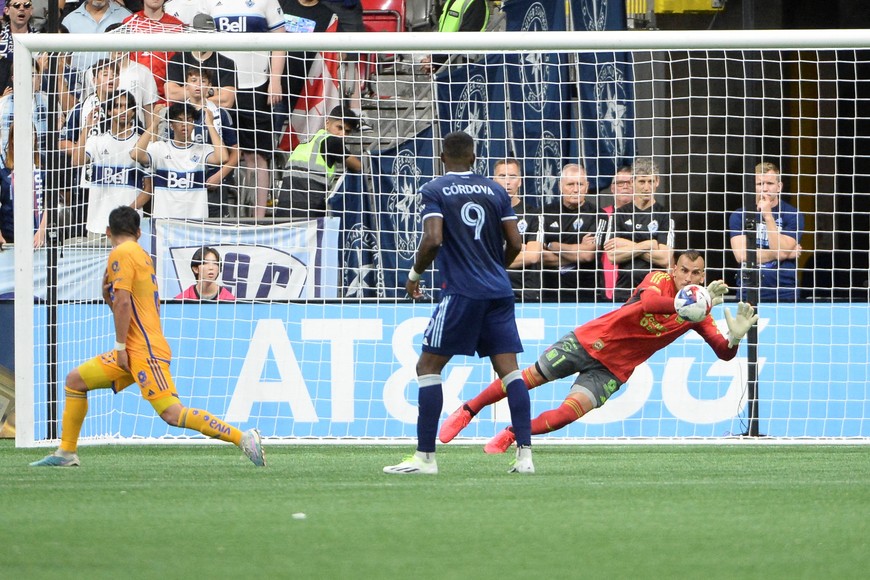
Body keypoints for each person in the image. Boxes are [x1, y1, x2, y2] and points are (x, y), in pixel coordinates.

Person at [439, 250, 758, 451]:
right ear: (674, 269)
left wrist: (734, 338)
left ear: (704, 277)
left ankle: (511, 434)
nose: (689, 278)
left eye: (697, 274)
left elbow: (723, 353)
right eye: (685, 271)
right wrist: (684, 303)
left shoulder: (699, 314)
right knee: (527, 378)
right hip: (590, 341)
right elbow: (648, 303)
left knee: (566, 415)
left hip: (613, 369)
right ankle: (468, 410)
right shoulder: (658, 279)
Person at [31, 206, 264, 467]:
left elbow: (122, 303)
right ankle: (66, 452)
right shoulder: (141, 255)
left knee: (173, 414)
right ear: (139, 233)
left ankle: (243, 438)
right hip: (137, 347)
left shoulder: (121, 253)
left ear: (108, 231)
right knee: (75, 380)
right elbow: (127, 300)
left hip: (142, 350)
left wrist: (120, 347)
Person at [383, 131, 533, 475]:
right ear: (475, 158)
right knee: (510, 372)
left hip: (462, 292)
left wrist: (415, 274)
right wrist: (496, 267)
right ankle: (525, 457)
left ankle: (425, 458)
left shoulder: (434, 190)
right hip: (499, 291)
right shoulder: (496, 190)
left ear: (441, 158)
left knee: (427, 368)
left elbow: (433, 239)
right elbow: (515, 241)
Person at [204, 0, 286, 219]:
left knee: (257, 156)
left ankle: (257, 217)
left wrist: (275, 80)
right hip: (220, 87)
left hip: (256, 86)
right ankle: (218, 213)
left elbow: (281, 39)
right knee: (217, 150)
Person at [69, 89, 148, 237]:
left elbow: (149, 189)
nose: (123, 111)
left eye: (127, 107)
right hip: (97, 225)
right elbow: (76, 161)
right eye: (118, 106)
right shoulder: (97, 141)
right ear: (110, 111)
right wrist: (86, 128)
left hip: (128, 227)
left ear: (133, 112)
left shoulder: (139, 144)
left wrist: (128, 212)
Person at [130, 101, 229, 219]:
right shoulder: (160, 148)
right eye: (179, 120)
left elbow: (223, 157)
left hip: (195, 222)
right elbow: (135, 154)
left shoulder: (202, 150)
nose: (184, 124)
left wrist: (210, 124)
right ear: (171, 125)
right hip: (165, 222)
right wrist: (154, 124)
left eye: (188, 120)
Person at [728, 161, 804, 302]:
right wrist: (784, 254)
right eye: (759, 184)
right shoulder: (739, 215)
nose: (764, 189)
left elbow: (779, 251)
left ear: (779, 186)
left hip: (784, 292)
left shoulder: (793, 214)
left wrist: (768, 216)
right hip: (748, 290)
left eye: (769, 183)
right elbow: (742, 255)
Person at [603, 156, 673, 303]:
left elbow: (665, 258)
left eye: (650, 181)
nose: (646, 187)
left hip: (655, 291)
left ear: (657, 182)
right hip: (624, 291)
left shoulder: (664, 216)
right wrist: (648, 244)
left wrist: (627, 245)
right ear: (633, 182)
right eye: (642, 181)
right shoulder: (619, 214)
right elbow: (612, 256)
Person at [274, 104, 361, 220]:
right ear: (327, 123)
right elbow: (358, 166)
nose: (343, 134)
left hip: (284, 208)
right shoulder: (332, 141)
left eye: (347, 131)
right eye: (339, 128)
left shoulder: (308, 141)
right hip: (309, 209)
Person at [540, 163, 600, 303]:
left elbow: (587, 255)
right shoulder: (543, 214)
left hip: (588, 294)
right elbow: (540, 256)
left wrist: (553, 245)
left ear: (587, 186)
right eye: (570, 184)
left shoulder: (598, 215)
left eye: (580, 184)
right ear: (560, 186)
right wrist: (578, 250)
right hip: (550, 293)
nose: (575, 190)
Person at [493, 157, 542, 302]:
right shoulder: (485, 213)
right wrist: (519, 249)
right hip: (492, 290)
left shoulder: (534, 214)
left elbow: (533, 256)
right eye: (502, 176)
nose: (507, 182)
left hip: (524, 294)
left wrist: (491, 260)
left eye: (512, 176)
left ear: (520, 181)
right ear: (493, 180)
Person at [420, 0, 489, 74]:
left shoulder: (476, 3)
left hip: (462, 66)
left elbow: (466, 39)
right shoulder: (450, 2)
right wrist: (434, 58)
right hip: (447, 63)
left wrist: (435, 60)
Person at [600, 164, 633, 300]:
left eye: (629, 182)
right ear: (612, 188)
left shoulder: (647, 215)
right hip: (608, 288)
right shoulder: (601, 215)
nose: (625, 186)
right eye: (620, 183)